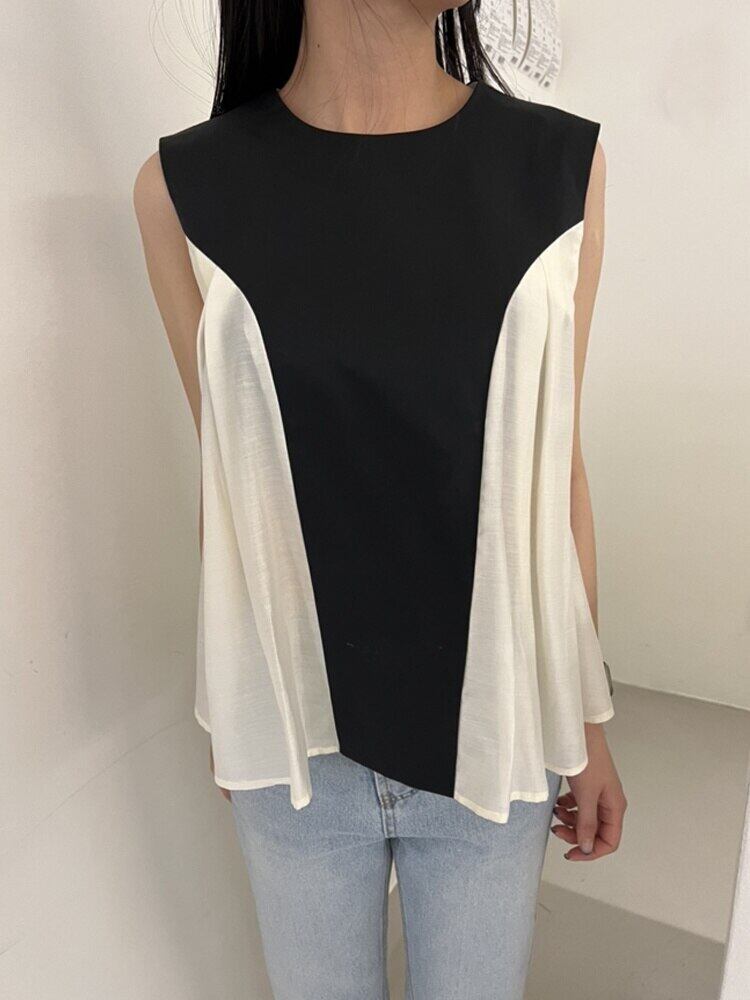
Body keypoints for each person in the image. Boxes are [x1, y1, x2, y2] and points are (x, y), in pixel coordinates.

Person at [134, 1, 627, 996]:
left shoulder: (559, 171)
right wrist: (239, 711)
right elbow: (228, 481)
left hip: (501, 736)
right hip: (294, 757)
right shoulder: (180, 190)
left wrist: (586, 719)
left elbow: (556, 471)